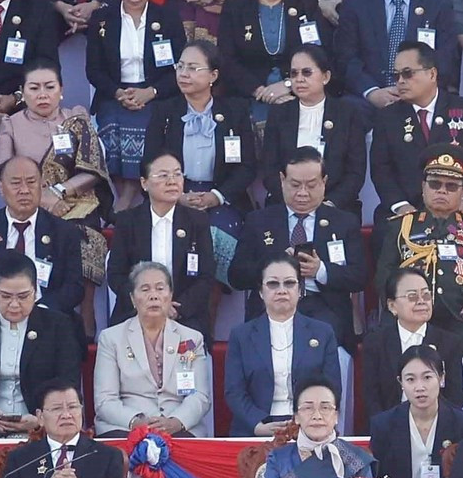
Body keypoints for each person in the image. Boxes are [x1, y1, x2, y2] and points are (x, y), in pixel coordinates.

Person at [374, 147, 463, 410]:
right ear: (423, 187)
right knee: (383, 338)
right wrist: (400, 307)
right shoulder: (402, 225)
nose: (442, 191)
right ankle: (389, 414)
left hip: (460, 316)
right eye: (435, 184)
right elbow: (385, 274)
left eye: (451, 186)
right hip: (410, 317)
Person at [0, 59, 108, 288]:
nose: (42, 94)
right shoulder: (10, 124)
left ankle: (85, 322)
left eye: (50, 87)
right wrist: (41, 199)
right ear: (22, 93)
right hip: (27, 206)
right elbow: (3, 172)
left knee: (83, 241)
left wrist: (59, 192)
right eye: (34, 88)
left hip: (78, 206)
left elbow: (93, 169)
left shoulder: (76, 119)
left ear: (61, 90)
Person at [227, 149, 360, 343]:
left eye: (311, 185)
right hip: (270, 306)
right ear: (282, 180)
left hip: (324, 306)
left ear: (324, 182)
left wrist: (320, 270)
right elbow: (236, 276)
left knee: (327, 336)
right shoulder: (259, 221)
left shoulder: (344, 222)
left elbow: (359, 276)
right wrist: (275, 266)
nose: (302, 193)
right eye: (295, 185)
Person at [0, 258, 83, 437]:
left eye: (23, 296)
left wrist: (40, 418)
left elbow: (68, 381)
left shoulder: (58, 326)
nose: (14, 304)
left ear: (35, 292)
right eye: (5, 296)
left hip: (42, 426)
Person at [143, 40, 255, 248]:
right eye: (181, 66)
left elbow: (247, 166)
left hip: (220, 195)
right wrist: (177, 195)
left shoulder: (235, 112)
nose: (184, 73)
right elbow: (149, 163)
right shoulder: (164, 111)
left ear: (213, 75)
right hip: (172, 195)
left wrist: (217, 196)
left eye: (193, 68)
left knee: (222, 233)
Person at [87, 0, 182, 190]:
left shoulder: (168, 17)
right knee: (113, 126)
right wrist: (119, 94)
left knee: (150, 127)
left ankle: (127, 205)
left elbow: (178, 70)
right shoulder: (102, 19)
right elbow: (94, 70)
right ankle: (123, 200)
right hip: (114, 96)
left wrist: (150, 92)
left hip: (156, 96)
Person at [224, 255, 341, 435]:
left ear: (300, 290)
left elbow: (331, 388)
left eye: (289, 283)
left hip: (310, 428)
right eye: (272, 284)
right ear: (261, 292)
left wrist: (305, 422)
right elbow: (234, 391)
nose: (281, 290)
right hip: (255, 428)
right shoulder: (241, 335)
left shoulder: (323, 333)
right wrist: (258, 424)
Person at [94, 261, 214, 436]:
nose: (153, 296)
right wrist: (136, 422)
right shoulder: (111, 338)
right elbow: (105, 400)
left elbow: (200, 396)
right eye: (145, 289)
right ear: (133, 299)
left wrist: (176, 421)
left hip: (176, 425)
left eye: (160, 288)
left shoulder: (192, 338)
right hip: (126, 426)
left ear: (170, 296)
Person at [0, 154, 84, 317]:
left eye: (31, 182)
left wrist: (42, 311)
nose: (24, 190)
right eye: (16, 183)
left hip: (48, 318)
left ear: (42, 185)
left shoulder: (64, 232)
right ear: (1, 188)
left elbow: (74, 287)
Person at [105, 151, 215, 330]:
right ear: (144, 183)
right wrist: (146, 304)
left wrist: (177, 309)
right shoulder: (128, 221)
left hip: (184, 316)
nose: (172, 181)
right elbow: (116, 275)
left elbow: (206, 276)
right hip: (135, 313)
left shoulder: (197, 221)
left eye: (177, 174)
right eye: (163, 175)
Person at [370, 40, 463, 216]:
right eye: (396, 75)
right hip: (406, 208)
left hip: (458, 205)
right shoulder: (387, 117)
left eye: (407, 74)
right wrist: (400, 205)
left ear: (432, 74)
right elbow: (381, 170)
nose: (400, 81)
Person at [0, 381, 130, 478]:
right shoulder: (20, 458)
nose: (66, 415)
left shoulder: (107, 455)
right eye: (57, 409)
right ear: (40, 417)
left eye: (73, 407)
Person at [218, 0, 328, 109]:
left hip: (299, 94)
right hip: (248, 96)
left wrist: (288, 85)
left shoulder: (306, 3)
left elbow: (320, 53)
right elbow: (228, 60)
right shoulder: (236, 8)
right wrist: (260, 91)